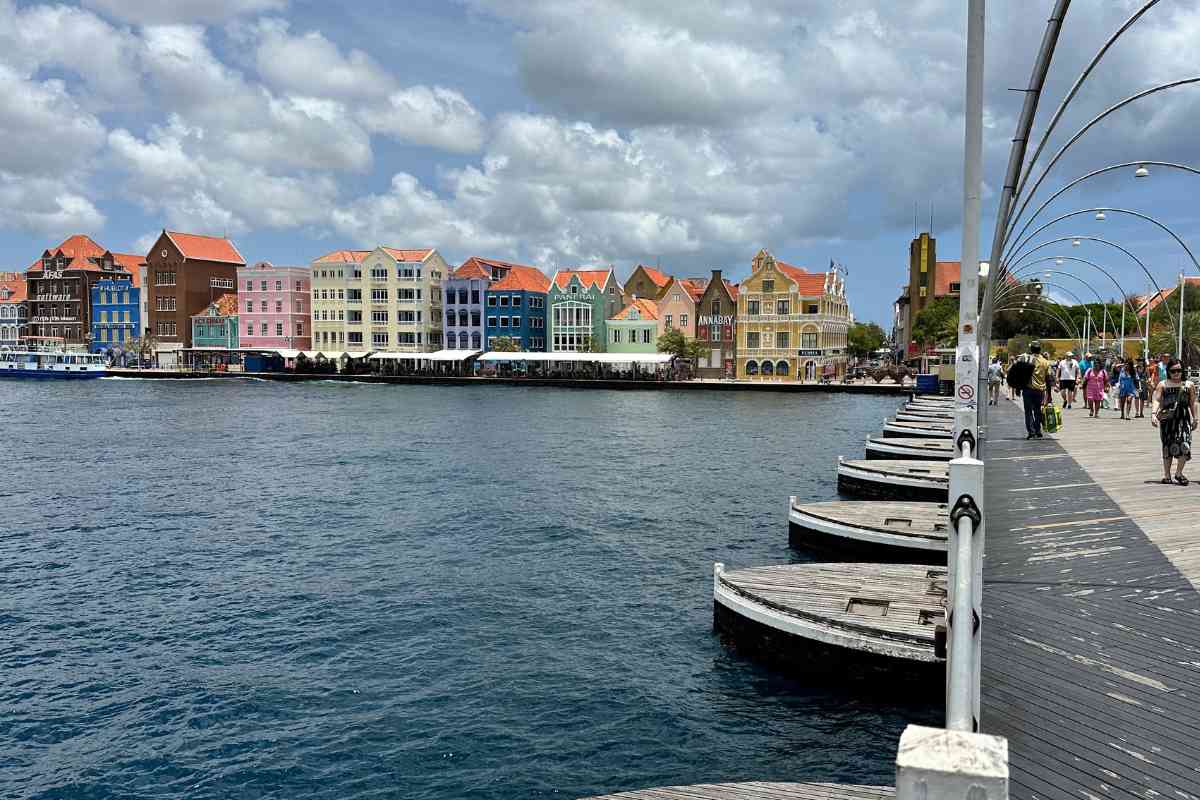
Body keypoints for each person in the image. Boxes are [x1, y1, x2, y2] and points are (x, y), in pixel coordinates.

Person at [1151, 358, 1198, 485]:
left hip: (1183, 418)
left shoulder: (1189, 385)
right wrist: (1153, 414)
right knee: (1167, 446)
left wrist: (1195, 419)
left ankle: (1178, 473)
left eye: (1179, 370)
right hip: (1167, 420)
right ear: (1168, 371)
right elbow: (1157, 399)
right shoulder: (1163, 384)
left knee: (1185, 444)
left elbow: (1192, 403)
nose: (1176, 373)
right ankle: (1167, 475)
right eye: (1173, 371)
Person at [1020, 341, 1051, 439]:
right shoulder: (1045, 362)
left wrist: (1018, 387)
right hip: (1040, 391)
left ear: (1031, 349)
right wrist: (1049, 394)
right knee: (1038, 411)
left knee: (1028, 411)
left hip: (1028, 390)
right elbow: (1048, 379)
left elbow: (1022, 375)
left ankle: (1031, 431)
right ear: (1040, 350)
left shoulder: (1027, 360)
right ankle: (1038, 430)